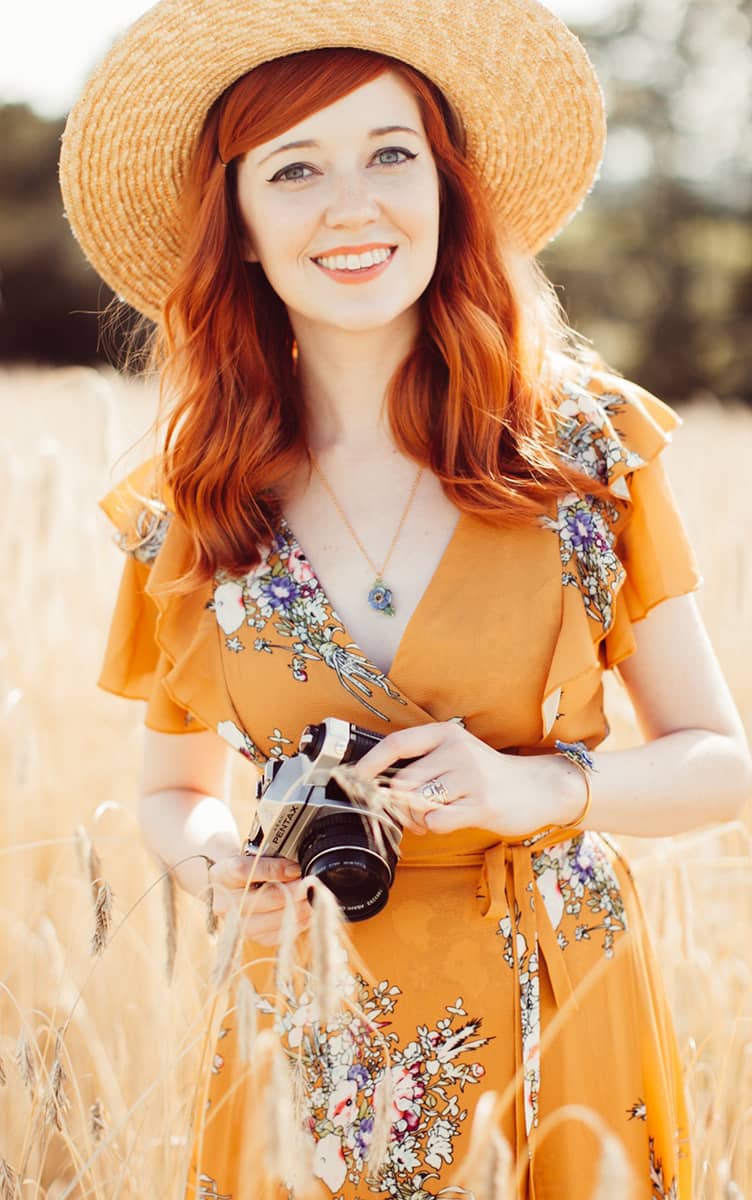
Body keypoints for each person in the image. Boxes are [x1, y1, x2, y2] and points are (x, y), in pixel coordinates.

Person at [59, 0, 751, 1197]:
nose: (353, 205)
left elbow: (717, 761)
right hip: (308, 1021)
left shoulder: (583, 453)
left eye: (390, 152)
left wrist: (531, 788)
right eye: (294, 168)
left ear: (445, 188)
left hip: (561, 994)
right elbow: (174, 796)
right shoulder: (191, 503)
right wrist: (230, 867)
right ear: (239, 227)